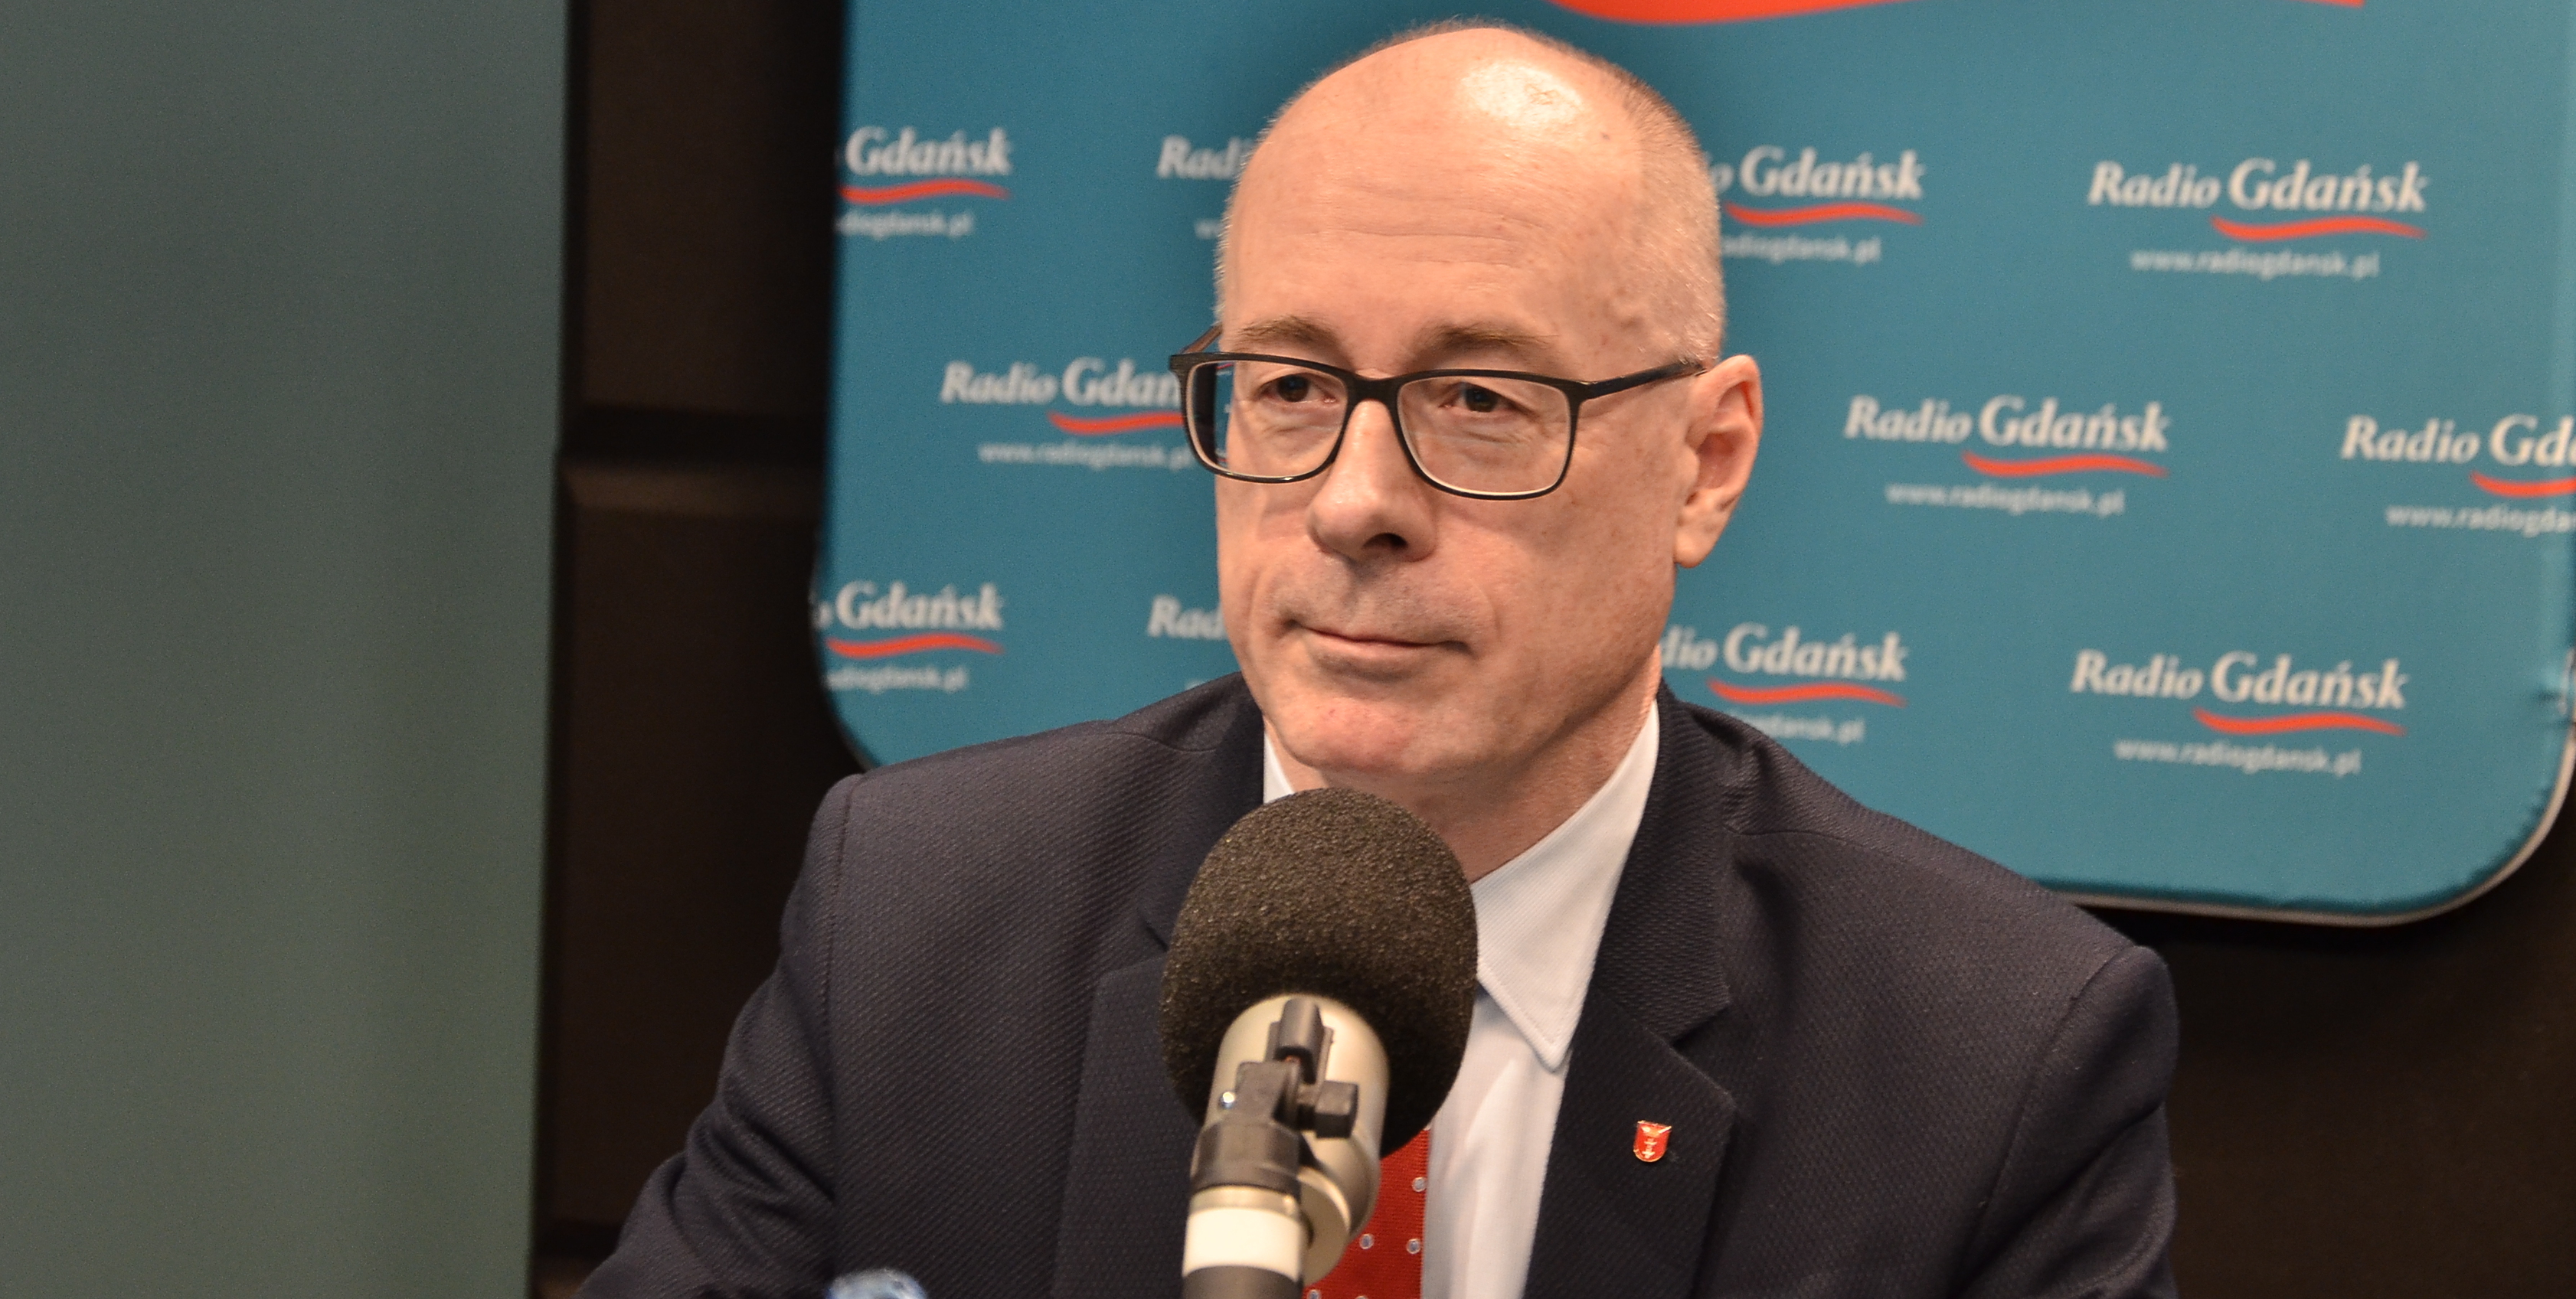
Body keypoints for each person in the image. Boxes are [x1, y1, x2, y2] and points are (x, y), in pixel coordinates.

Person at [582, 21, 2177, 1299]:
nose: (1352, 504)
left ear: (1704, 462)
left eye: (1478, 402)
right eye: (1288, 386)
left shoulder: (1992, 1060)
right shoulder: (915, 925)